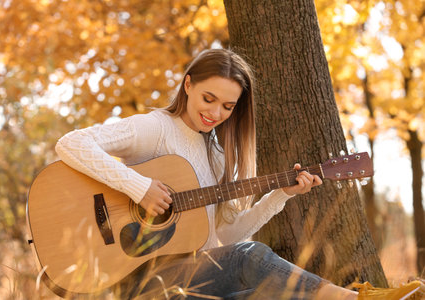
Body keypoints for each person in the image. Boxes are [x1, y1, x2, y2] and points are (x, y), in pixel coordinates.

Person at [55, 49, 423, 299]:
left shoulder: (216, 156)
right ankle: (360, 297)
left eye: (228, 106)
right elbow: (71, 144)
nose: (215, 113)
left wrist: (282, 195)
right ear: (188, 85)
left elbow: (225, 238)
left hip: (193, 279)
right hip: (139, 279)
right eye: (208, 99)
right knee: (252, 257)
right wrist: (138, 187)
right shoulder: (155, 128)